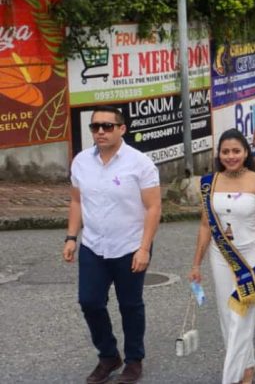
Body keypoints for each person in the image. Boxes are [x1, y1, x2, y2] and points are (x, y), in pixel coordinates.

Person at [65, 105, 161, 384]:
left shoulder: (140, 163)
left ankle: (134, 360)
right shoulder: (81, 161)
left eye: (108, 126)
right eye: (95, 126)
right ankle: (108, 355)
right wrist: (71, 237)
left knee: (130, 305)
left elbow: (153, 207)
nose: (101, 131)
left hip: (131, 245)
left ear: (122, 129)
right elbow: (76, 201)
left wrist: (144, 248)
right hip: (93, 245)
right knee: (89, 302)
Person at [189, 129, 255, 384]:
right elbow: (206, 226)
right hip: (220, 257)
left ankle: (235, 376)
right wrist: (196, 264)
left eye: (236, 151)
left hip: (253, 258)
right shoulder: (209, 183)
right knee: (227, 317)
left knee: (242, 317)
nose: (231, 156)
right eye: (225, 151)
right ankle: (246, 369)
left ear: (246, 152)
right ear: (219, 154)